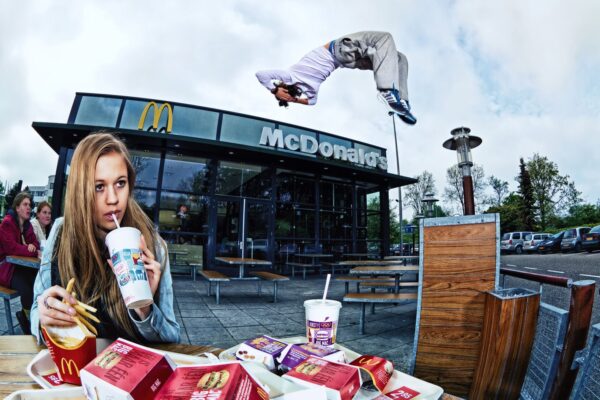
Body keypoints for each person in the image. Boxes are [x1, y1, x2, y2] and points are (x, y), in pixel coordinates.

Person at [31, 133, 180, 343]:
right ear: (80, 192)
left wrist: (145, 308)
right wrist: (44, 317)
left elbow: (172, 338)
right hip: (75, 369)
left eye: (120, 183)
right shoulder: (61, 232)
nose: (113, 199)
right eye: (98, 187)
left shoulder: (153, 244)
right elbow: (36, 311)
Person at [256, 31, 417, 125]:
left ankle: (402, 103)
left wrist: (293, 100)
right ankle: (387, 89)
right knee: (384, 38)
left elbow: (312, 102)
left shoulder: (311, 90)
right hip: (340, 48)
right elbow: (261, 75)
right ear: (284, 86)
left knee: (399, 58)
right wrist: (275, 89)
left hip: (349, 61)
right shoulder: (289, 76)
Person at [0, 192, 40, 335]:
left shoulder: (27, 225)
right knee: (26, 288)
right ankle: (29, 323)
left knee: (37, 279)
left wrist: (32, 247)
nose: (29, 208)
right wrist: (30, 250)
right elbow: (12, 249)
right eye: (25, 204)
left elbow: (35, 243)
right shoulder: (7, 223)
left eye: (30, 205)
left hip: (18, 266)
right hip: (5, 268)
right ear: (17, 207)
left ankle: (28, 316)